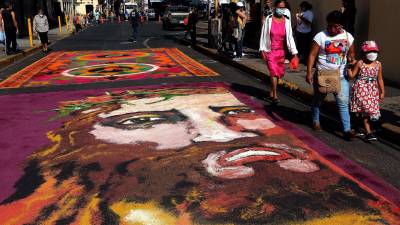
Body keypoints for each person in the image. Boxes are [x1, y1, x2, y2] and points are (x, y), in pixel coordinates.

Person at [306, 10, 356, 140]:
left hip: (341, 76)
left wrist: (352, 60)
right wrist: (309, 72)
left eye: (335, 26)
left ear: (342, 26)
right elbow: (312, 55)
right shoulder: (320, 36)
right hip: (323, 74)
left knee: (343, 102)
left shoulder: (348, 37)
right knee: (318, 99)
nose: (331, 29)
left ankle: (346, 129)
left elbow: (351, 53)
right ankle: (316, 121)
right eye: (329, 25)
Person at [260, 0, 298, 104]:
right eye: (279, 7)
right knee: (273, 72)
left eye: (283, 8)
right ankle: (275, 95)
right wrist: (262, 49)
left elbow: (290, 38)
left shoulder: (287, 21)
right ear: (275, 7)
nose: (280, 10)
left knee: (278, 74)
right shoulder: (269, 19)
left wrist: (294, 54)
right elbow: (263, 35)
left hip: (281, 52)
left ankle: (271, 93)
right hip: (270, 51)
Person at [348, 41, 384, 142]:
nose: (372, 53)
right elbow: (352, 76)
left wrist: (382, 92)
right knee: (366, 111)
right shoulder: (360, 63)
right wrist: (349, 67)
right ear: (364, 52)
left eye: (374, 51)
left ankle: (356, 126)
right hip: (361, 89)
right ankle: (368, 132)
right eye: (369, 51)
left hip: (372, 90)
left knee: (363, 111)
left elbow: (380, 78)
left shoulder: (378, 64)